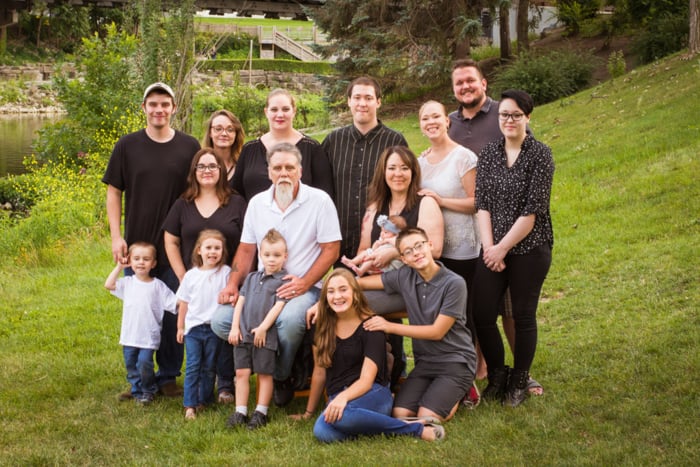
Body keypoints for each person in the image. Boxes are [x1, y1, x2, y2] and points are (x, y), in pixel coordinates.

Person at [212, 142, 342, 407]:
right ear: (269, 172)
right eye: (278, 168)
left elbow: (331, 249)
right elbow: (247, 249)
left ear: (300, 171)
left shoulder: (319, 200)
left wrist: (305, 283)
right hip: (261, 286)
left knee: (291, 321)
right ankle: (277, 367)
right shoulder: (258, 203)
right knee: (221, 321)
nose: (284, 173)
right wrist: (233, 284)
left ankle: (280, 375)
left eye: (289, 167)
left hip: (304, 287)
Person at [448, 60, 542, 395]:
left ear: (483, 83)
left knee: (513, 311)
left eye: (470, 81)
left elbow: (530, 189)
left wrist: (502, 244)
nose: (465, 87)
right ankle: (486, 368)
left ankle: (522, 374)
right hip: (470, 228)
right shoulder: (451, 124)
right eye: (459, 83)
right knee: (478, 306)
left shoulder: (504, 114)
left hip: (513, 232)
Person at [102, 82, 200, 397]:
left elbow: (199, 188)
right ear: (143, 108)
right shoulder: (127, 146)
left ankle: (169, 376)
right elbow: (114, 191)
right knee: (140, 311)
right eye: (153, 104)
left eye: (165, 104)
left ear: (173, 108)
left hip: (175, 246)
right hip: (138, 247)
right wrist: (117, 236)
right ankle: (139, 380)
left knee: (173, 312)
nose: (159, 110)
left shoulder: (189, 146)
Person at [294, 268, 444, 443]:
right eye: (331, 291)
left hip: (373, 393)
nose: (337, 296)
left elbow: (366, 380)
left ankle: (415, 430)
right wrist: (309, 413)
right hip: (339, 397)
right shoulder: (321, 327)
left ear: (355, 293)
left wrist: (343, 398)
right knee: (322, 432)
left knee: (340, 417)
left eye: (343, 289)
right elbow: (320, 373)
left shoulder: (371, 326)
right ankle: (389, 425)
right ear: (325, 298)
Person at [473, 90, 554, 408]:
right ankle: (497, 375)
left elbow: (533, 212)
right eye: (504, 114)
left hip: (529, 247)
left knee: (522, 315)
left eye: (516, 115)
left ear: (528, 117)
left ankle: (519, 380)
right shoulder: (489, 153)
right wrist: (490, 247)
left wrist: (502, 249)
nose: (509, 120)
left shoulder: (540, 154)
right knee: (481, 314)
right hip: (493, 246)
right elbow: (481, 204)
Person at [361, 227, 477, 422]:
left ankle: (463, 388)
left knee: (427, 416)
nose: (416, 253)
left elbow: (437, 332)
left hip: (455, 361)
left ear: (429, 245)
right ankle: (440, 392)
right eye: (408, 251)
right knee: (400, 413)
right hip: (426, 362)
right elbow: (362, 284)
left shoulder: (454, 283)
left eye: (419, 246)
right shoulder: (405, 276)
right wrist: (333, 292)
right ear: (403, 259)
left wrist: (389, 327)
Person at [163, 147, 247, 404]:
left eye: (213, 166)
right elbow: (170, 240)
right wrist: (182, 277)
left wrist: (235, 280)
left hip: (228, 281)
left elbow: (247, 243)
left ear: (222, 171)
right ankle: (201, 382)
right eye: (202, 166)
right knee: (200, 330)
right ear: (194, 172)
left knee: (222, 328)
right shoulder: (183, 204)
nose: (207, 171)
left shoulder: (236, 202)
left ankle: (225, 384)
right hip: (197, 284)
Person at [417, 100, 481, 407]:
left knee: (462, 317)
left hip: (464, 249)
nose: (431, 122)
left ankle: (469, 378)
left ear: (447, 121)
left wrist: (440, 199)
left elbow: (477, 201)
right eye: (425, 118)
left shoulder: (463, 157)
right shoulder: (420, 162)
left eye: (435, 117)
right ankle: (442, 374)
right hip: (433, 251)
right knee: (436, 316)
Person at [322, 77, 408, 262]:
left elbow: (407, 185)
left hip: (381, 240)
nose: (362, 103)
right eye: (357, 97)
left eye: (368, 98)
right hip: (339, 237)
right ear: (349, 102)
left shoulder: (394, 141)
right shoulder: (333, 141)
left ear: (378, 102)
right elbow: (321, 188)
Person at [226, 229, 289, 430]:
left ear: (285, 257)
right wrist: (235, 327)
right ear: (260, 254)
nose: (271, 259)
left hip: (264, 336)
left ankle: (261, 412)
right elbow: (240, 302)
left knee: (264, 373)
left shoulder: (284, 280)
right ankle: (240, 411)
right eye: (267, 254)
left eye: (277, 255)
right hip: (243, 333)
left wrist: (262, 328)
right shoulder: (252, 277)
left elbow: (278, 306)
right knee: (242, 372)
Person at [104, 242, 177, 405]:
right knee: (131, 364)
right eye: (136, 258)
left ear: (154, 263)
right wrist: (119, 268)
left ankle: (148, 389)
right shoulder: (128, 283)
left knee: (145, 363)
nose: (141, 262)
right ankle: (136, 390)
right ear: (130, 261)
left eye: (146, 259)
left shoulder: (158, 286)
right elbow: (108, 285)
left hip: (148, 336)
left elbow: (174, 303)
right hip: (130, 335)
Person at [231, 88, 333, 201]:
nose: (280, 115)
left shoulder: (312, 148)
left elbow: (324, 195)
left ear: (294, 111)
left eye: (285, 109)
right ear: (266, 112)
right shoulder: (249, 149)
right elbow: (237, 194)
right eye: (274, 109)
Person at [176, 229, 231, 420]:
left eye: (217, 248)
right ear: (199, 250)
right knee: (193, 366)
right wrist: (180, 327)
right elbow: (183, 302)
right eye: (208, 247)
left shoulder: (225, 272)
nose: (212, 252)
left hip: (213, 328)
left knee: (209, 367)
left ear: (222, 251)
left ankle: (205, 399)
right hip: (193, 329)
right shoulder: (191, 276)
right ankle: (189, 405)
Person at [340, 214, 407, 277]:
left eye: (386, 232)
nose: (382, 234)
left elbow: (400, 247)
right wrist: (375, 245)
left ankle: (361, 271)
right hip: (379, 262)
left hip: (392, 265)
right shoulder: (383, 239)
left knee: (372, 257)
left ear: (396, 234)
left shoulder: (397, 240)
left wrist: (387, 241)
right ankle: (353, 261)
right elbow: (374, 250)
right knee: (367, 252)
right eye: (381, 231)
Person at [201, 109, 245, 180]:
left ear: (236, 134)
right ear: (210, 133)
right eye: (218, 129)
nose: (224, 134)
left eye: (230, 130)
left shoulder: (244, 166)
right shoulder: (200, 166)